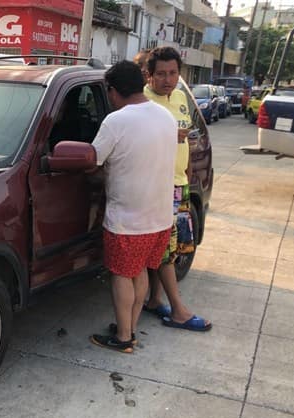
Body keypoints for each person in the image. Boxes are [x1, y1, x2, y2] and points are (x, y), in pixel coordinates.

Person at [88, 60, 177, 353]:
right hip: (160, 217)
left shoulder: (116, 121)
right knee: (138, 271)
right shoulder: (165, 116)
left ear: (112, 91)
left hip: (128, 219)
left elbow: (93, 162)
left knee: (122, 274)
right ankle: (130, 327)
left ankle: (124, 337)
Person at [142, 46, 211, 331]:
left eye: (172, 73)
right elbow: (138, 141)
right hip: (158, 185)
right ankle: (179, 310)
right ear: (148, 75)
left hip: (180, 182)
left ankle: (155, 300)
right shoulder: (143, 101)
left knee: (173, 247)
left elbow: (188, 138)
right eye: (161, 74)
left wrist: (189, 166)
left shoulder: (181, 97)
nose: (167, 80)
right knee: (165, 250)